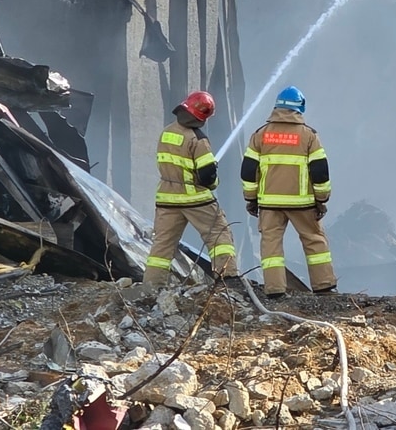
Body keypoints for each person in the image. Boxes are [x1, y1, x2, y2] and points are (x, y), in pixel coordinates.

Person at [240, 85, 335, 298]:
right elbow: (320, 171)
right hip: (303, 203)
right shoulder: (309, 136)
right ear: (300, 107)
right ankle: (324, 287)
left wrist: (251, 199)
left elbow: (248, 170)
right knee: (314, 240)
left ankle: (274, 290)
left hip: (269, 204)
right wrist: (321, 199)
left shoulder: (260, 135)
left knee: (270, 245)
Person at [143, 90, 238, 286]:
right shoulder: (198, 139)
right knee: (218, 234)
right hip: (195, 199)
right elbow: (206, 177)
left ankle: (151, 287)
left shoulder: (167, 132)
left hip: (167, 198)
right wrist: (214, 181)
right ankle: (228, 279)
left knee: (162, 245)